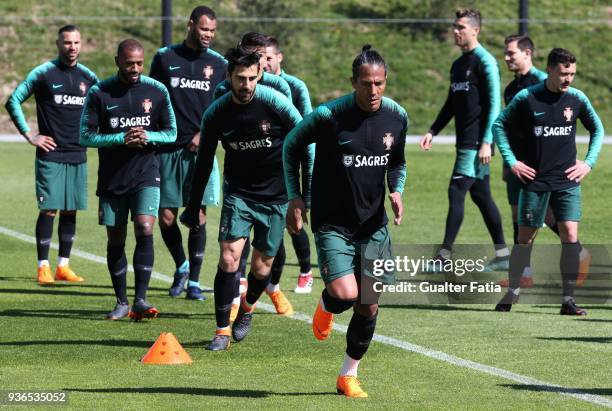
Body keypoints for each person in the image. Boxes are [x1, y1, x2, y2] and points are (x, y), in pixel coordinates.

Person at [284, 45, 407, 398]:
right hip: (333, 221)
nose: (373, 91)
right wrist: (295, 195)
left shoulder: (397, 117)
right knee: (344, 293)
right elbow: (291, 146)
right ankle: (327, 304)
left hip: (373, 224)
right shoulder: (328, 116)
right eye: (366, 83)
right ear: (353, 82)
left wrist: (395, 190)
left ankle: (348, 376)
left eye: (379, 83)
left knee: (369, 304)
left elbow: (397, 162)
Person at [180, 46, 305, 350]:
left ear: (260, 75)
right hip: (239, 194)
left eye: (251, 78)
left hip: (275, 196)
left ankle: (247, 308)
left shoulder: (277, 104)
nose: (246, 85)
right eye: (240, 78)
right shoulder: (217, 113)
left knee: (262, 268)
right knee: (228, 258)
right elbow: (204, 161)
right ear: (229, 76)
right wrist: (193, 206)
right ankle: (221, 331)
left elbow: (305, 145)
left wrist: (302, 198)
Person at [492, 48, 604, 315]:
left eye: (573, 74)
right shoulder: (527, 97)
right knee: (525, 238)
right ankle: (514, 291)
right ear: (551, 69)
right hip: (535, 182)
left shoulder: (577, 99)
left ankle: (567, 300)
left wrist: (588, 163)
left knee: (571, 236)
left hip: (567, 181)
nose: (569, 79)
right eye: (564, 73)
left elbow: (597, 129)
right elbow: (499, 126)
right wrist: (512, 161)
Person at [80, 39, 177, 320]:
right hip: (113, 177)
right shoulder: (100, 92)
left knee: (145, 227)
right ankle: (121, 301)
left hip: (146, 172)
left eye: (139, 63)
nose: (135, 69)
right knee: (116, 237)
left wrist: (148, 136)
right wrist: (121, 139)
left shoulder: (156, 91)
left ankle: (141, 300)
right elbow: (85, 136)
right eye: (129, 63)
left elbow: (171, 132)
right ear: (117, 61)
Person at [5, 25, 97, 285]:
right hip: (51, 154)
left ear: (81, 45)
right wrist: (29, 135)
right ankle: (42, 267)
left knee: (70, 211)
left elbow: (103, 105)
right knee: (49, 209)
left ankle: (63, 267)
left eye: (77, 42)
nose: (72, 47)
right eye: (67, 42)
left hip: (78, 153)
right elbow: (13, 100)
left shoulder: (89, 77)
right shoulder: (44, 73)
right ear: (58, 43)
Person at [213, 32, 296, 318]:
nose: (259, 62)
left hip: (276, 190)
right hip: (239, 188)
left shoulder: (284, 90)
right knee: (231, 254)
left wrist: (301, 194)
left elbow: (302, 133)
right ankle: (227, 315)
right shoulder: (223, 95)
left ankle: (267, 289)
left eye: (261, 57)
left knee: (267, 259)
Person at [419, 8, 508, 271]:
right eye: (454, 27)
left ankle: (442, 257)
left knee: (456, 190)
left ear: (475, 30)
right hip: (465, 142)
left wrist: (486, 141)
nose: (455, 31)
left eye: (461, 27)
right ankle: (503, 255)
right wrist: (432, 130)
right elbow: (451, 104)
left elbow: (494, 105)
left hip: (476, 143)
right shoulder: (458, 65)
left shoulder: (485, 62)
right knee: (481, 196)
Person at [150, 6, 227, 300]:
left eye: (212, 31)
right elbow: (154, 98)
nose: (208, 35)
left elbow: (222, 108)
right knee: (166, 217)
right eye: (204, 29)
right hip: (168, 148)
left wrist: (204, 134)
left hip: (200, 151)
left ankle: (194, 282)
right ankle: (181, 265)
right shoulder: (164, 58)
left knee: (198, 215)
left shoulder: (218, 64)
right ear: (191, 25)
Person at [262, 35, 315, 295]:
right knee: (275, 224)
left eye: (269, 58)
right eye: (261, 58)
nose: (265, 63)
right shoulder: (257, 85)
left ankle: (306, 271)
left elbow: (308, 122)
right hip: (266, 164)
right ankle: (272, 281)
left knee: (293, 224)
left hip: (290, 163)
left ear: (279, 57)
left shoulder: (294, 86)